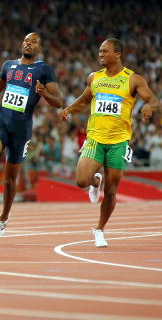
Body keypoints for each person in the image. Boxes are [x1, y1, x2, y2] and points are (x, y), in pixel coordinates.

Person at [0, 32, 63, 240]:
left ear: (39, 48)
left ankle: (3, 219)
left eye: (33, 42)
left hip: (22, 128)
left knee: (10, 180)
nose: (28, 44)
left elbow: (59, 101)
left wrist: (44, 93)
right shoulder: (9, 65)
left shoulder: (44, 69)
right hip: (2, 120)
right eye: (26, 40)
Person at [60, 38, 159, 247]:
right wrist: (69, 109)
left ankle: (99, 229)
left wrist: (148, 106)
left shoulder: (133, 79)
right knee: (81, 180)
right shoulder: (94, 78)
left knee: (112, 190)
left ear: (118, 54)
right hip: (95, 138)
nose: (100, 55)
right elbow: (84, 100)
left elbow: (153, 99)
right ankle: (96, 181)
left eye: (105, 51)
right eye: (99, 51)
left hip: (119, 142)